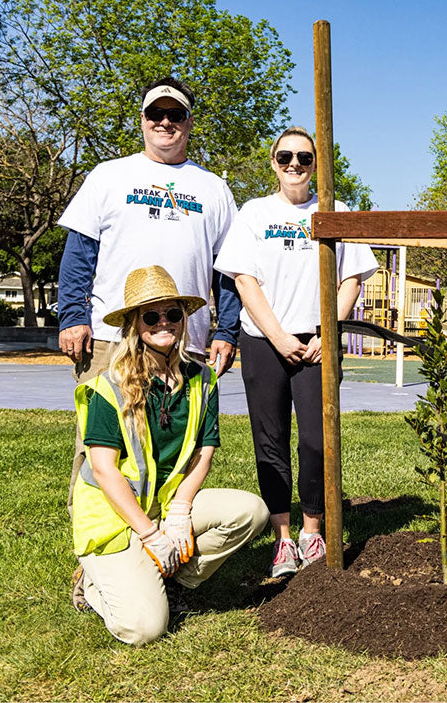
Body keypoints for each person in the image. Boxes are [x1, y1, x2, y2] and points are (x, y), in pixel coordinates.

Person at [57, 77, 241, 506]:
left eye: (175, 114)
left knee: (176, 447)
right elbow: (79, 253)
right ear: (141, 121)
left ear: (189, 123)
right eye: (155, 113)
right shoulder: (108, 176)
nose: (164, 122)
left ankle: (166, 545)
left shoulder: (213, 188)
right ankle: (96, 560)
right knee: (100, 447)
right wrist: (72, 317)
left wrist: (226, 331)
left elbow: (228, 271)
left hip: (185, 340)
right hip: (111, 338)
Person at [69, 265, 269, 646]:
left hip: (165, 506)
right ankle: (94, 583)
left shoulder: (202, 379)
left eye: (174, 314)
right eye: (151, 316)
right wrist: (149, 533)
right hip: (115, 518)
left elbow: (204, 449)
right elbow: (104, 470)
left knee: (250, 512)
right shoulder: (109, 387)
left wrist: (179, 514)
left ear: (184, 320)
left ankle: (170, 579)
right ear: (133, 325)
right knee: (145, 629)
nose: (165, 323)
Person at [214, 126, 377, 578]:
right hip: (265, 342)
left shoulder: (335, 211)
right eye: (285, 157)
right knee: (270, 441)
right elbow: (244, 280)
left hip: (318, 342)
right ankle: (283, 538)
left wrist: (330, 329)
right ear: (273, 162)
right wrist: (279, 337)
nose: (294, 165)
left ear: (316, 164)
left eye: (304, 158)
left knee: (315, 440)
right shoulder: (254, 213)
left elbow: (352, 278)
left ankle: (312, 531)